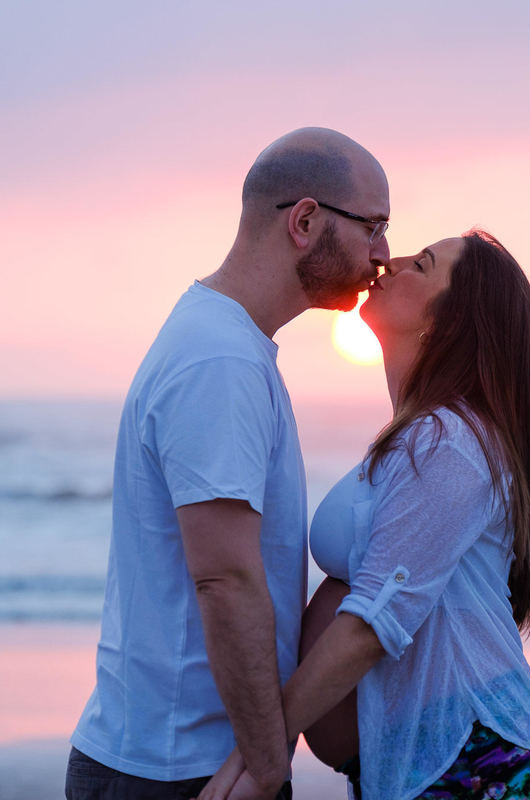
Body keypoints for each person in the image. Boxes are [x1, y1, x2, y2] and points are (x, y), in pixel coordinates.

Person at [66, 127, 391, 800]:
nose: (383, 255)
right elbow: (225, 579)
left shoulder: (227, 343)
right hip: (178, 770)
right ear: (305, 221)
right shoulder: (221, 360)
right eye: (373, 227)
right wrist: (268, 768)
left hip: (181, 759)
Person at [200, 231, 530, 800]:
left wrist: (255, 761)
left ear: (450, 322)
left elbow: (373, 623)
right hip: (429, 760)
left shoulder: (447, 441)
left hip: (473, 765)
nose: (388, 263)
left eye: (421, 264)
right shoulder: (429, 435)